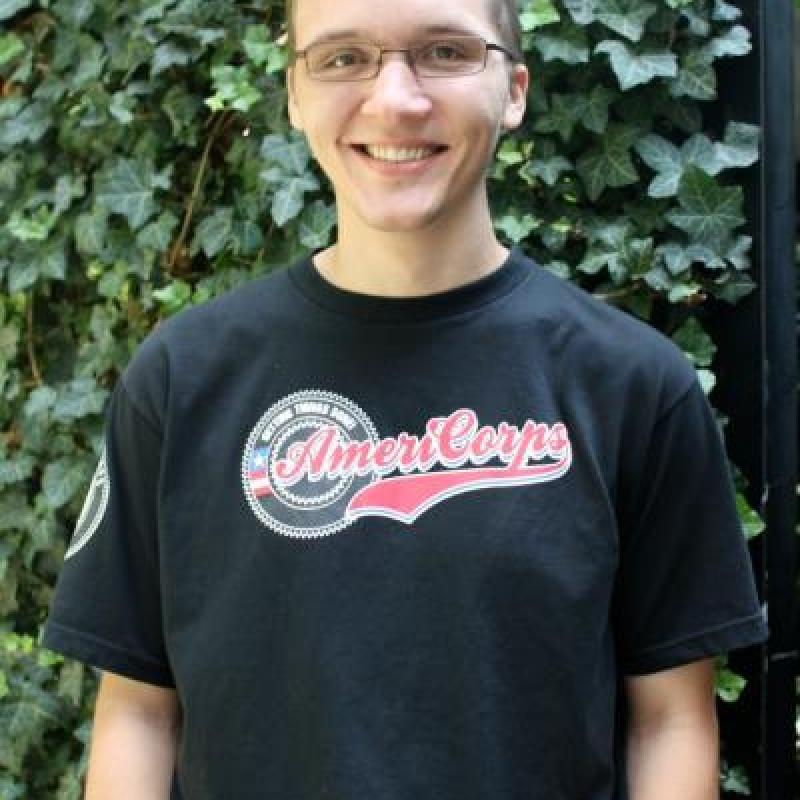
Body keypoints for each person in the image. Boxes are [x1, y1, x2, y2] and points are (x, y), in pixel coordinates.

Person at [42, 0, 769, 797]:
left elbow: (670, 719)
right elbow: (140, 712)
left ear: (514, 91)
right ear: (294, 94)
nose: (394, 100)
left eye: (446, 52)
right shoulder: (182, 379)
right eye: (343, 58)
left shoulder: (634, 386)